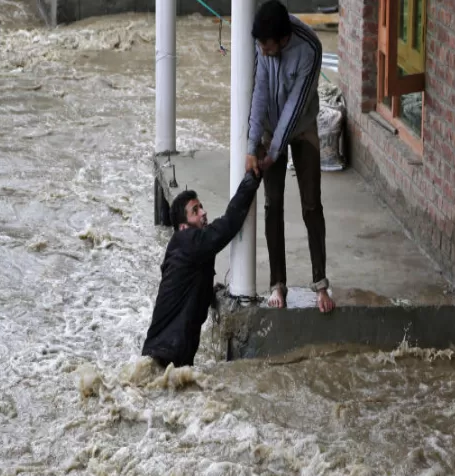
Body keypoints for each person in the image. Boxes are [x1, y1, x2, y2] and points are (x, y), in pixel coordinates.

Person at [245, 0, 335, 314]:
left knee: (311, 202)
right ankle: (277, 284)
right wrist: (251, 145)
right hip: (271, 126)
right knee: (272, 203)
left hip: (303, 124)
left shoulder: (310, 48)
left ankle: (321, 282)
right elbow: (258, 92)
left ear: (283, 40)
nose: (263, 51)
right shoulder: (263, 42)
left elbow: (295, 108)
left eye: (266, 47)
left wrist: (273, 153)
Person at [143, 171, 262, 368]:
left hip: (167, 357)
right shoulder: (190, 241)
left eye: (201, 207)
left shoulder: (184, 249)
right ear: (183, 227)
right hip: (166, 356)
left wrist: (214, 292)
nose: (203, 212)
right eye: (195, 211)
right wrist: (252, 178)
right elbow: (229, 223)